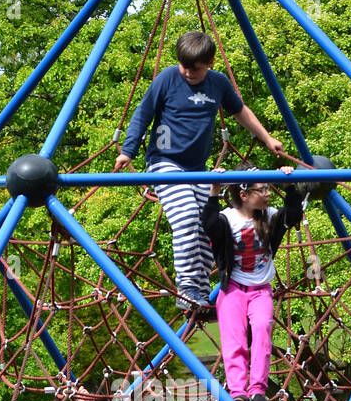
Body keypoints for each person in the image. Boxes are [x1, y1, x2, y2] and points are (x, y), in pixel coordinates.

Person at [113, 31, 286, 316]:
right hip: (164, 163)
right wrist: (128, 151)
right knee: (186, 219)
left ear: (209, 63)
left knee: (207, 226)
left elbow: (240, 111)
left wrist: (267, 138)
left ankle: (201, 290)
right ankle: (188, 288)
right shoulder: (167, 79)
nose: (187, 72)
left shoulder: (217, 83)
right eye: (183, 65)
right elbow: (142, 115)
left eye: (194, 68)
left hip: (197, 169)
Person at [202, 168, 303, 401]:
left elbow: (294, 214)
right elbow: (209, 225)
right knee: (234, 340)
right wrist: (214, 191)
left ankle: (258, 388)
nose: (268, 194)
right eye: (263, 190)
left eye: (269, 188)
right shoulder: (227, 218)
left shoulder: (270, 216)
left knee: (261, 332)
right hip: (234, 288)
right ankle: (238, 391)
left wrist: (289, 184)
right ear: (244, 194)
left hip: (261, 290)